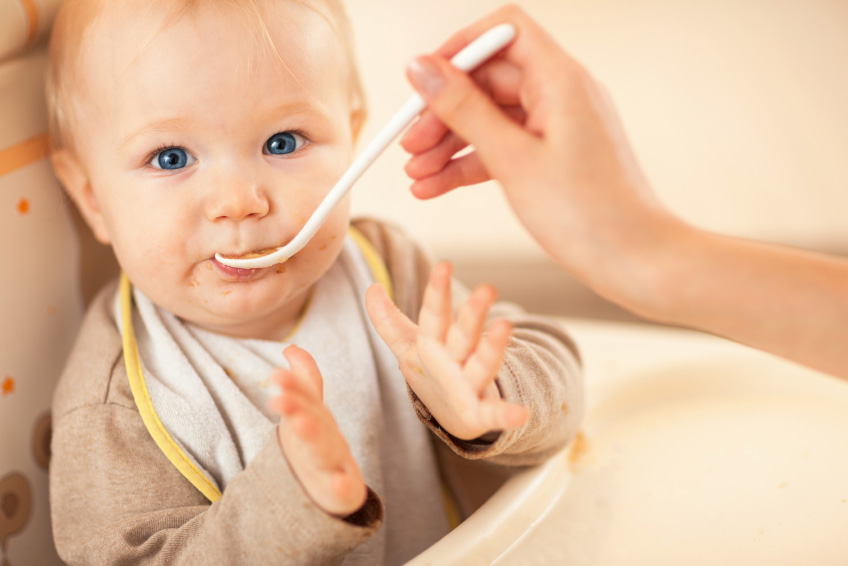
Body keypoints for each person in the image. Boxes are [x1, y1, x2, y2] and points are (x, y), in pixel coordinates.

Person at [45, 1, 584, 565]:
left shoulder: (387, 268)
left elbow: (563, 377)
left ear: (351, 139)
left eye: (283, 142)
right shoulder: (115, 406)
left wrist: (491, 393)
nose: (239, 202)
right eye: (170, 156)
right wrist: (289, 505)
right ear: (91, 197)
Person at [401, 4, 848, 381]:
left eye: (324, 139)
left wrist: (486, 396)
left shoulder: (391, 263)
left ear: (356, 124)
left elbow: (550, 366)